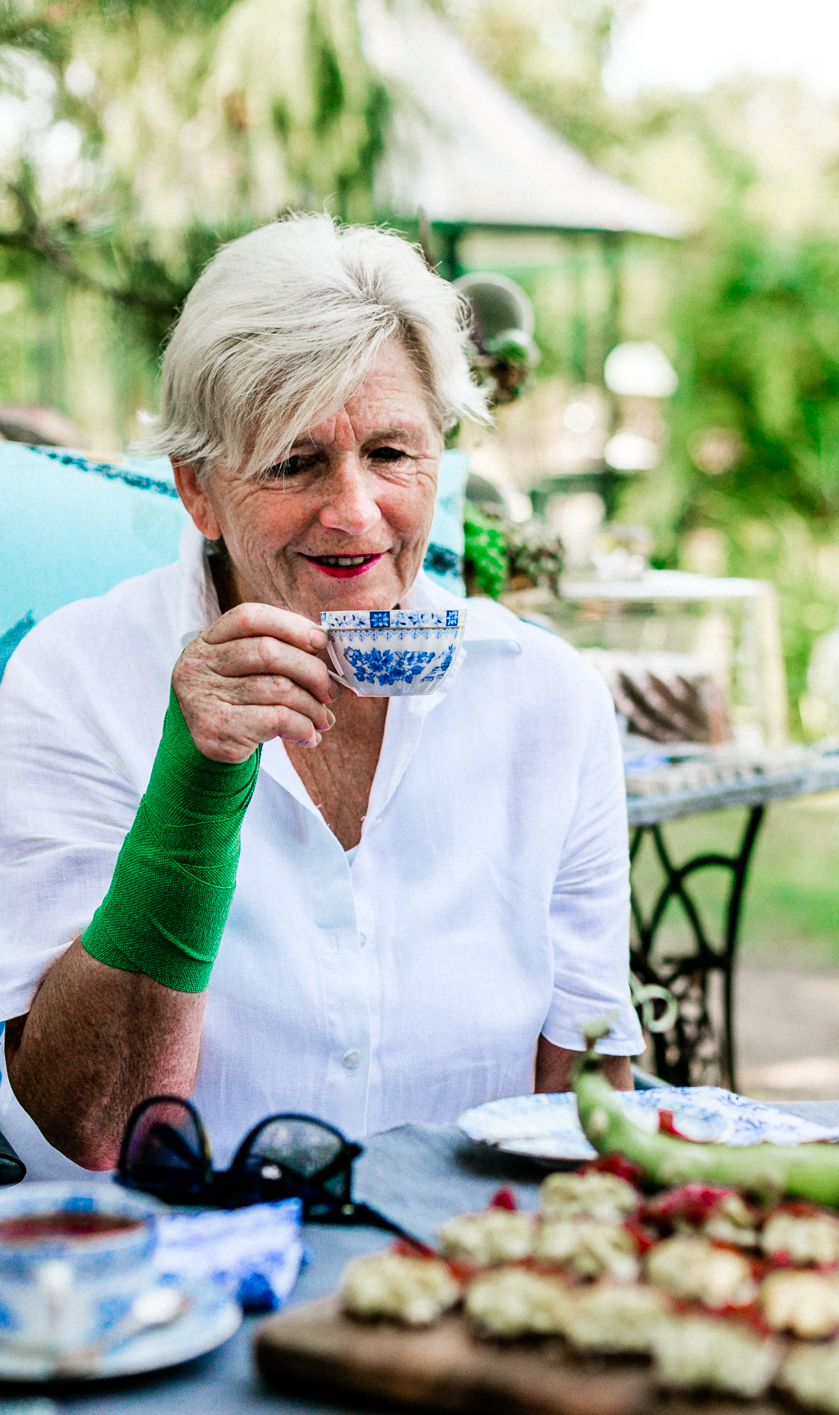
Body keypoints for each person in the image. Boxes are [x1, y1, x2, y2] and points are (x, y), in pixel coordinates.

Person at [0, 217, 642, 1180]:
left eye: (392, 453)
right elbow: (93, 1122)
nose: (354, 511)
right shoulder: (76, 677)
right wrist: (198, 776)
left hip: (447, 1280)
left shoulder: (546, 700)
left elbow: (585, 1084)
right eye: (296, 463)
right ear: (198, 490)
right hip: (157, 1285)